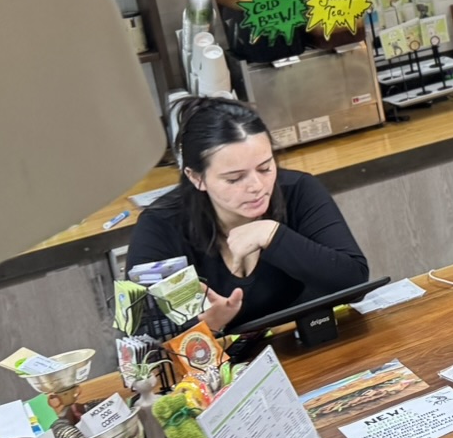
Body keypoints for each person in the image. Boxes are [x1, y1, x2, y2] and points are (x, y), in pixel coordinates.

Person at [125, 97, 369, 334]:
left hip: (305, 342)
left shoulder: (297, 191)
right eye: (234, 178)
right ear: (196, 177)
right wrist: (207, 326)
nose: (257, 186)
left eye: (265, 168)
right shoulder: (162, 225)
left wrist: (272, 235)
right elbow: (139, 332)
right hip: (221, 359)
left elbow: (354, 283)